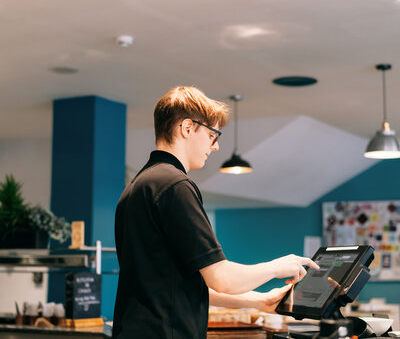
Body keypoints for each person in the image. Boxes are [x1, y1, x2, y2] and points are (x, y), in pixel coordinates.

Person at [112, 86, 319, 339]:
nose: (216, 147)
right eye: (213, 135)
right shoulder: (175, 185)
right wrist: (278, 266)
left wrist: (259, 302)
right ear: (187, 128)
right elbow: (222, 277)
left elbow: (183, 286)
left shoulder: (138, 187)